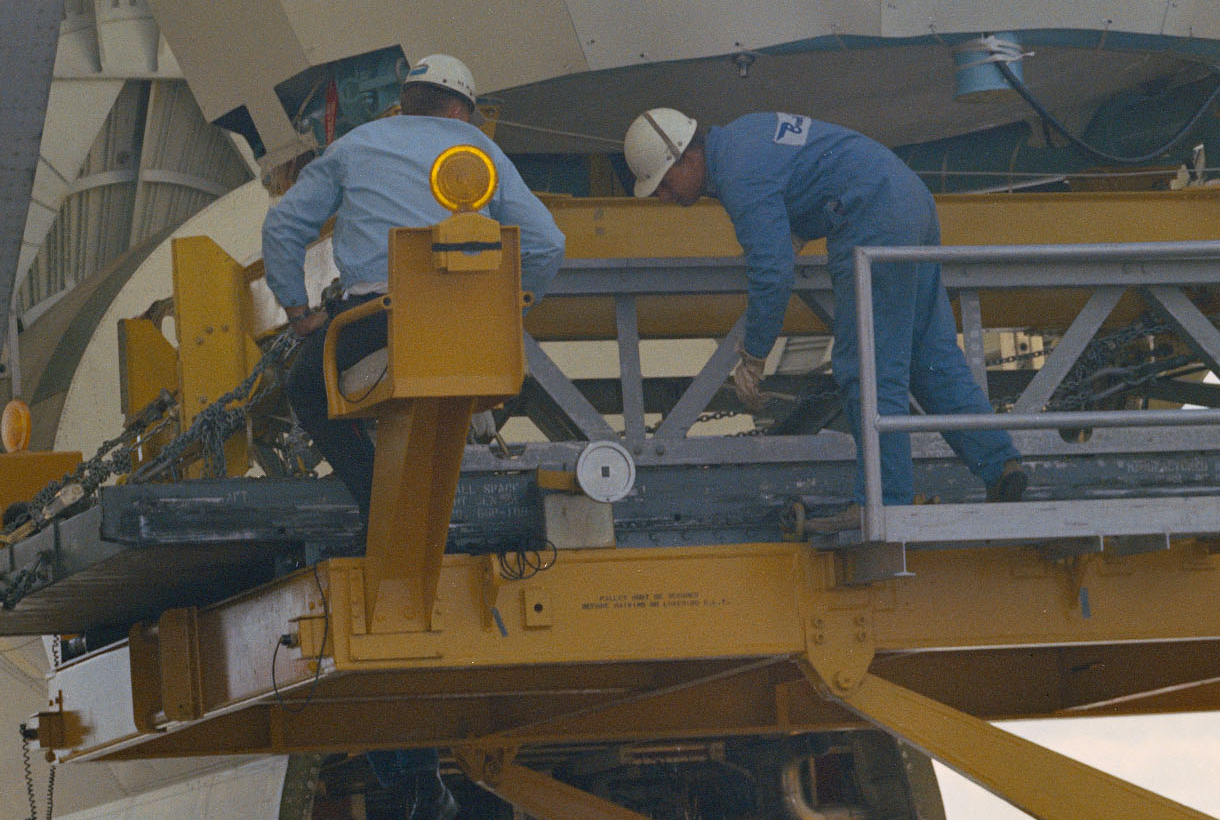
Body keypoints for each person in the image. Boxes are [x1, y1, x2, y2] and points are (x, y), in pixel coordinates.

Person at [625, 103, 1024, 502]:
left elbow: (772, 273)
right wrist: (797, 228)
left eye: (663, 182)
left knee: (866, 367)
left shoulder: (737, 175)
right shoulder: (742, 136)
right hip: (908, 199)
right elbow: (808, 174)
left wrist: (755, 352)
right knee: (929, 353)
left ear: (689, 158)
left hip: (872, 216)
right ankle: (1000, 464)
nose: (664, 197)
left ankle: (885, 501)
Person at [259, 53, 567, 505]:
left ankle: (377, 499)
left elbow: (282, 227)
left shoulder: (354, 146)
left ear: (405, 103)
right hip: (466, 323)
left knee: (307, 386)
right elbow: (547, 243)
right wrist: (510, 308)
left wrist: (299, 312)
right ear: (461, 111)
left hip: (378, 319)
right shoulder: (479, 152)